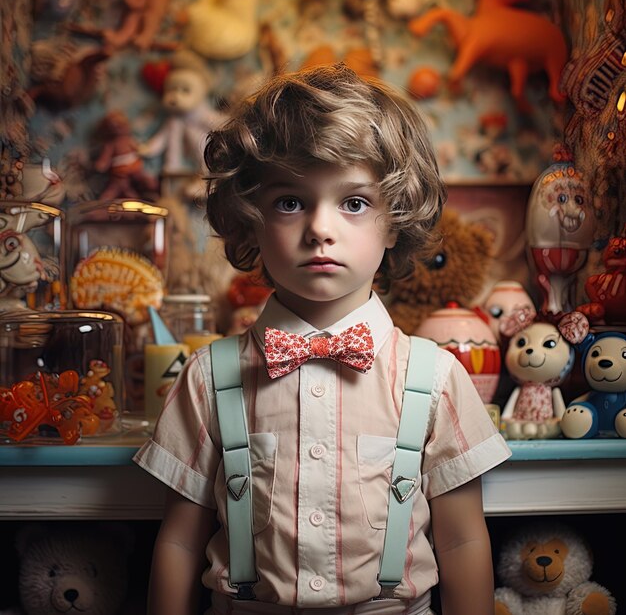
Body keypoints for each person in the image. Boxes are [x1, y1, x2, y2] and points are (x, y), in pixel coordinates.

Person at [134, 63, 512, 615]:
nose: (320, 229)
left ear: (393, 220)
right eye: (290, 201)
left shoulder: (434, 378)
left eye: (353, 203)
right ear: (251, 218)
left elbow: (462, 541)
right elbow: (179, 541)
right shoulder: (207, 378)